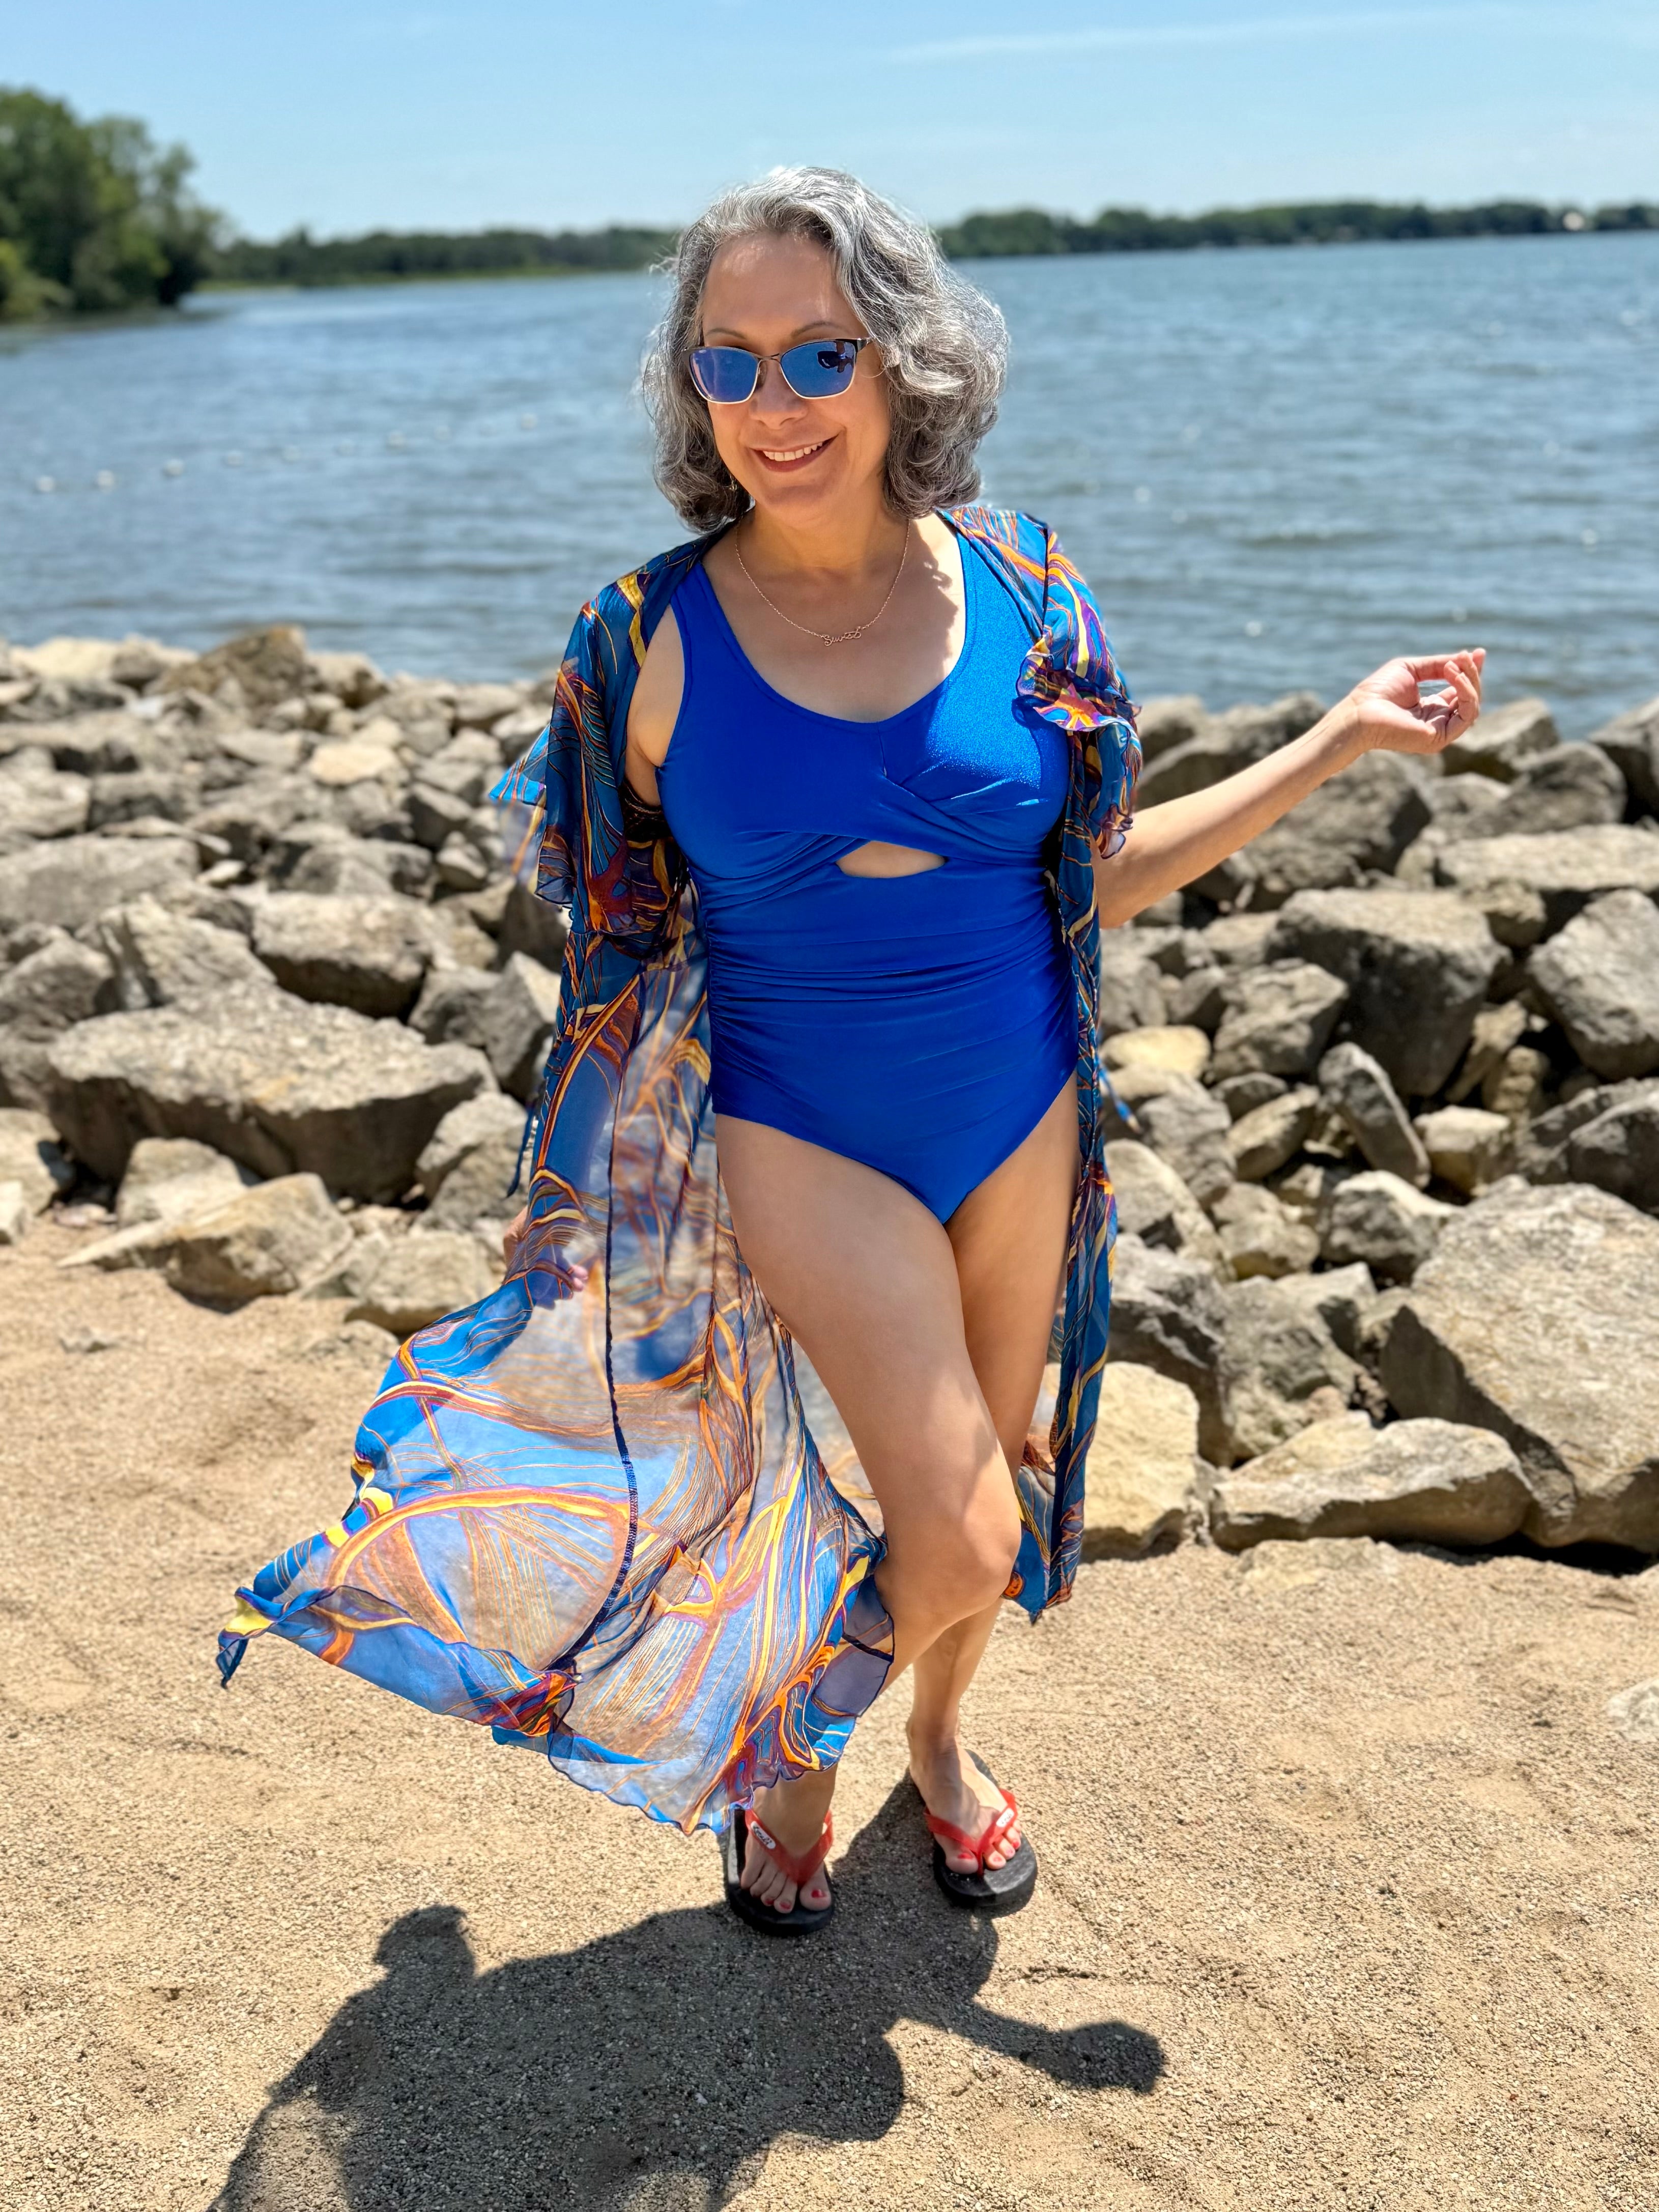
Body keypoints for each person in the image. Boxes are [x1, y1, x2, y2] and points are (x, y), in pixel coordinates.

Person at [219, 167, 1482, 1937]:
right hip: (803, 1127)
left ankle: (942, 1746)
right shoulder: (642, 638)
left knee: (998, 1468)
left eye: (818, 352)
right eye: (726, 366)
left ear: (905, 361)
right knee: (959, 1526)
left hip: (1020, 1103)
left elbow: (1095, 874)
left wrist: (1335, 740)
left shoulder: (1033, 595)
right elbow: (612, 929)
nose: (775, 405)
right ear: (690, 396)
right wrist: (592, 1201)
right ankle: (790, 1758)